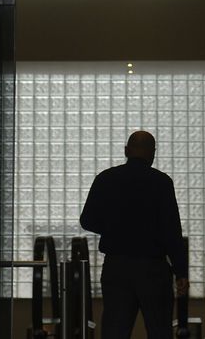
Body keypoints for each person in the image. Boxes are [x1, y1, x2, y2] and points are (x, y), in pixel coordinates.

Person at [80, 131, 188, 339]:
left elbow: (87, 220)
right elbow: (172, 231)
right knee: (159, 331)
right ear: (153, 154)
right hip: (153, 269)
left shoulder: (106, 179)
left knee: (115, 331)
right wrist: (180, 272)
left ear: (126, 151)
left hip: (117, 267)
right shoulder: (162, 183)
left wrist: (115, 229)